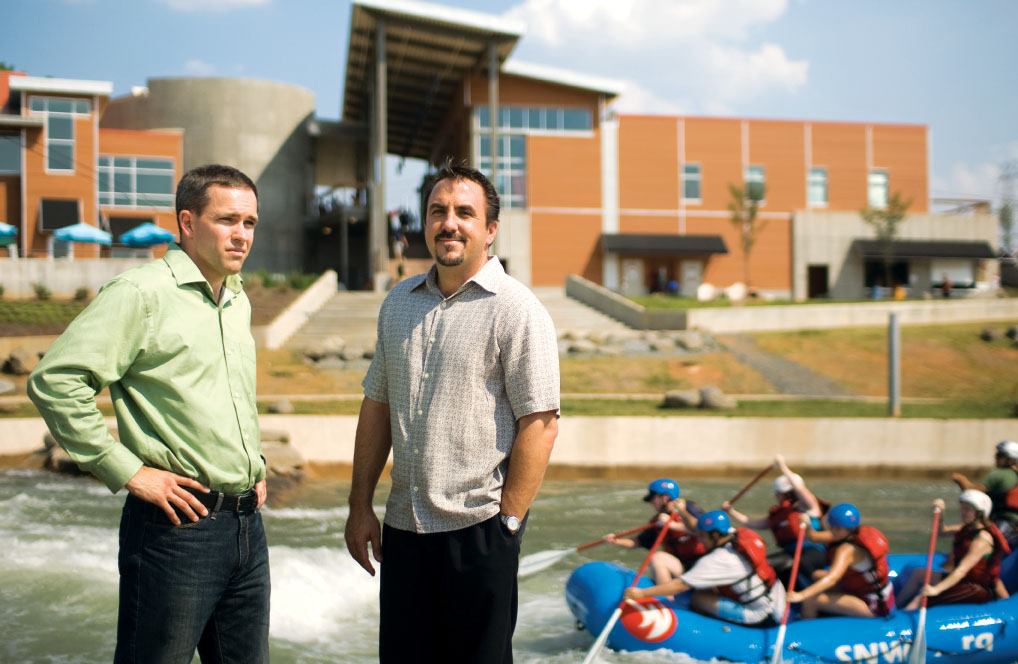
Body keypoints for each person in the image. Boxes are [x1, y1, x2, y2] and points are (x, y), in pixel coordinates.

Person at [27, 164, 269, 663]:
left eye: (249, 222)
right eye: (227, 220)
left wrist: (255, 463)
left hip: (247, 528)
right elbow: (55, 381)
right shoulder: (140, 294)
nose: (241, 235)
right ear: (187, 221)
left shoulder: (236, 297)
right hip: (174, 529)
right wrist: (130, 472)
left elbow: (223, 396)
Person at [343, 161, 560, 663]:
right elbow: (377, 404)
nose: (449, 223)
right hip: (403, 531)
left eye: (465, 212)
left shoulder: (517, 309)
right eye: (438, 210)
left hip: (479, 530)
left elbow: (541, 424)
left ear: (490, 230)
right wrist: (360, 505)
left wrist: (508, 525)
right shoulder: (398, 303)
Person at [624, 510, 785, 627]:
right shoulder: (741, 535)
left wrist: (641, 593)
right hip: (778, 599)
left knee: (698, 598)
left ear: (714, 536)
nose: (700, 541)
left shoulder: (717, 560)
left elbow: (680, 586)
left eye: (702, 536)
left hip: (761, 614)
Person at [724, 455, 828, 584]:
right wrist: (731, 511)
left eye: (778, 494)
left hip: (813, 551)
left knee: (801, 563)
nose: (776, 496)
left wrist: (783, 467)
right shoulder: (778, 514)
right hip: (790, 552)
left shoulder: (808, 507)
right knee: (766, 565)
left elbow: (800, 489)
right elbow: (750, 522)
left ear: (785, 493)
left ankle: (819, 588)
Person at [899, 491, 1011, 609]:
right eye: (962, 508)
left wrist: (936, 590)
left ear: (979, 513)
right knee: (918, 574)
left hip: (976, 588)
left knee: (920, 599)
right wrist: (940, 513)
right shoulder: (967, 528)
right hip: (964, 580)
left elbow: (961, 570)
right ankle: (893, 610)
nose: (962, 512)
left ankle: (895, 624)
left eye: (967, 509)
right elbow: (941, 532)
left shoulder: (982, 539)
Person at [786, 503, 895, 619]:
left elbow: (832, 579)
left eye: (836, 528)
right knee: (817, 575)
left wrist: (801, 595)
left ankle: (806, 631)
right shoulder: (845, 533)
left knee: (810, 600)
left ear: (847, 529)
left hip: (874, 604)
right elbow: (813, 537)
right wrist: (807, 523)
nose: (832, 530)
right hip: (865, 591)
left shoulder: (847, 550)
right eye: (832, 526)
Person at [605, 478, 706, 587]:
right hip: (681, 567)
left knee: (657, 558)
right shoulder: (657, 521)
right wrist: (616, 541)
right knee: (657, 559)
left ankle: (665, 597)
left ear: (665, 498)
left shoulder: (690, 508)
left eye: (653, 498)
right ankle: (666, 597)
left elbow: (703, 529)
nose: (651, 503)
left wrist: (672, 525)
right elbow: (638, 542)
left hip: (702, 565)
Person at [951, 440, 1018, 548]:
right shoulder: (1015, 475)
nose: (996, 457)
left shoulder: (1000, 474)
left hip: (1002, 522)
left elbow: (972, 493)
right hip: (1014, 524)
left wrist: (960, 479)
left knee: (981, 538)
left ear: (1010, 460)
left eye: (999, 455)